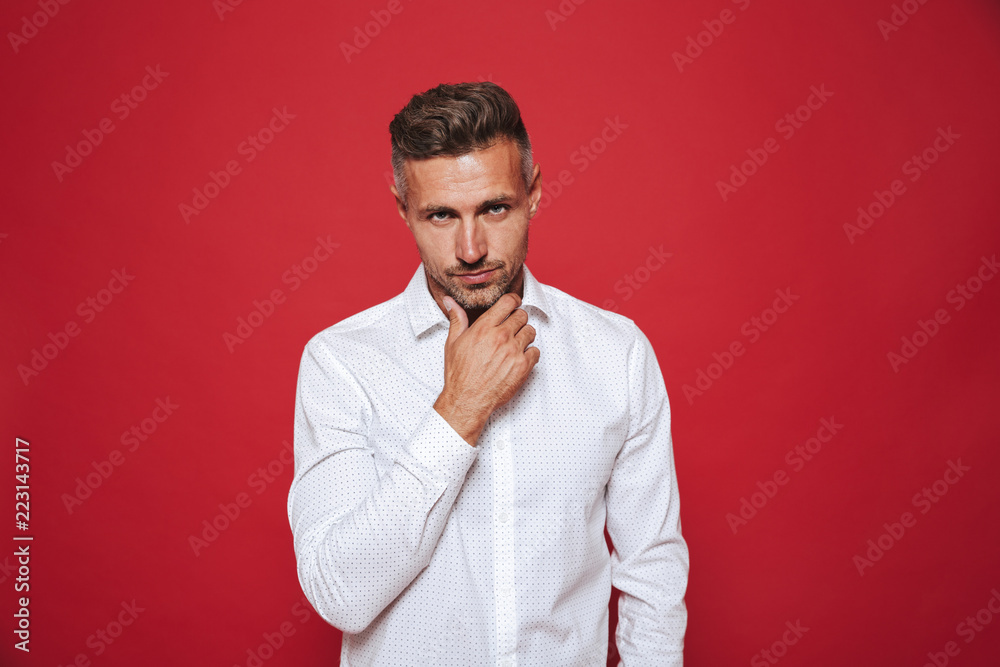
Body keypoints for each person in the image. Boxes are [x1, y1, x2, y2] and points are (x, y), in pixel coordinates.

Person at [287, 81, 688, 666]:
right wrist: (459, 410)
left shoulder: (615, 354)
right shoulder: (343, 363)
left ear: (534, 192)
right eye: (442, 215)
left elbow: (652, 572)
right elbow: (342, 594)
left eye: (494, 208)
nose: (471, 248)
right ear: (403, 210)